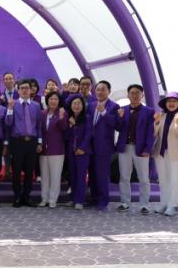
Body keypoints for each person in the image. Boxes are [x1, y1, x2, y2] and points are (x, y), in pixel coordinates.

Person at [115, 84, 155, 214]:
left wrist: (148, 149)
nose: (134, 95)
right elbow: (118, 128)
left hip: (141, 148)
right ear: (128, 95)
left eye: (137, 92)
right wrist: (119, 118)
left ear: (142, 95)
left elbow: (151, 132)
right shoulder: (122, 110)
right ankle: (125, 202)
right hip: (124, 147)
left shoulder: (149, 111)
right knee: (124, 176)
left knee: (143, 177)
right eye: (132, 93)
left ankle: (145, 205)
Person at [6, 80, 42, 207]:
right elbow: (8, 123)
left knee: (29, 171)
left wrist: (39, 142)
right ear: (18, 90)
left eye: (27, 88)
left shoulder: (36, 105)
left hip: (32, 142)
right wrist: (10, 108)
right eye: (22, 88)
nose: (24, 90)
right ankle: (17, 197)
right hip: (17, 142)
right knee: (16, 171)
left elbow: (39, 126)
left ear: (31, 90)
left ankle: (26, 196)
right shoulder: (13, 104)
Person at [153, 92, 178, 217]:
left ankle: (172, 205)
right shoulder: (161, 116)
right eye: (169, 101)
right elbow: (154, 134)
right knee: (162, 179)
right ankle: (163, 203)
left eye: (174, 101)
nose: (171, 103)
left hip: (175, 153)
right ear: (165, 104)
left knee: (173, 179)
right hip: (160, 152)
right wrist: (156, 122)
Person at [86, 81, 119, 211]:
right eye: (98, 89)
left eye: (103, 89)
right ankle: (94, 198)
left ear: (109, 91)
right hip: (90, 145)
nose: (100, 92)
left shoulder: (114, 106)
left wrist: (104, 112)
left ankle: (103, 200)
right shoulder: (91, 105)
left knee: (102, 174)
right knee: (92, 174)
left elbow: (115, 124)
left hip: (104, 146)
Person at [38, 91, 68, 208]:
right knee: (44, 176)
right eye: (51, 99)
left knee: (55, 176)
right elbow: (40, 130)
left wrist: (61, 118)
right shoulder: (42, 113)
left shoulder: (62, 113)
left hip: (57, 149)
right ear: (47, 100)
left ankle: (52, 199)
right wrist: (39, 143)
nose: (53, 101)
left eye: (56, 99)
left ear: (59, 101)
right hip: (43, 149)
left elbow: (64, 128)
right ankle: (44, 198)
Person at [66, 95, 92, 210]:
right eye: (74, 103)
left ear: (83, 105)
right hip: (71, 151)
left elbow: (88, 134)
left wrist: (82, 148)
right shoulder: (69, 118)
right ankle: (73, 199)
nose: (77, 106)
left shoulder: (87, 118)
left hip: (83, 152)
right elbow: (66, 136)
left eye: (79, 103)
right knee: (73, 175)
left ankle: (80, 200)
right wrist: (71, 125)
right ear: (71, 106)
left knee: (81, 176)